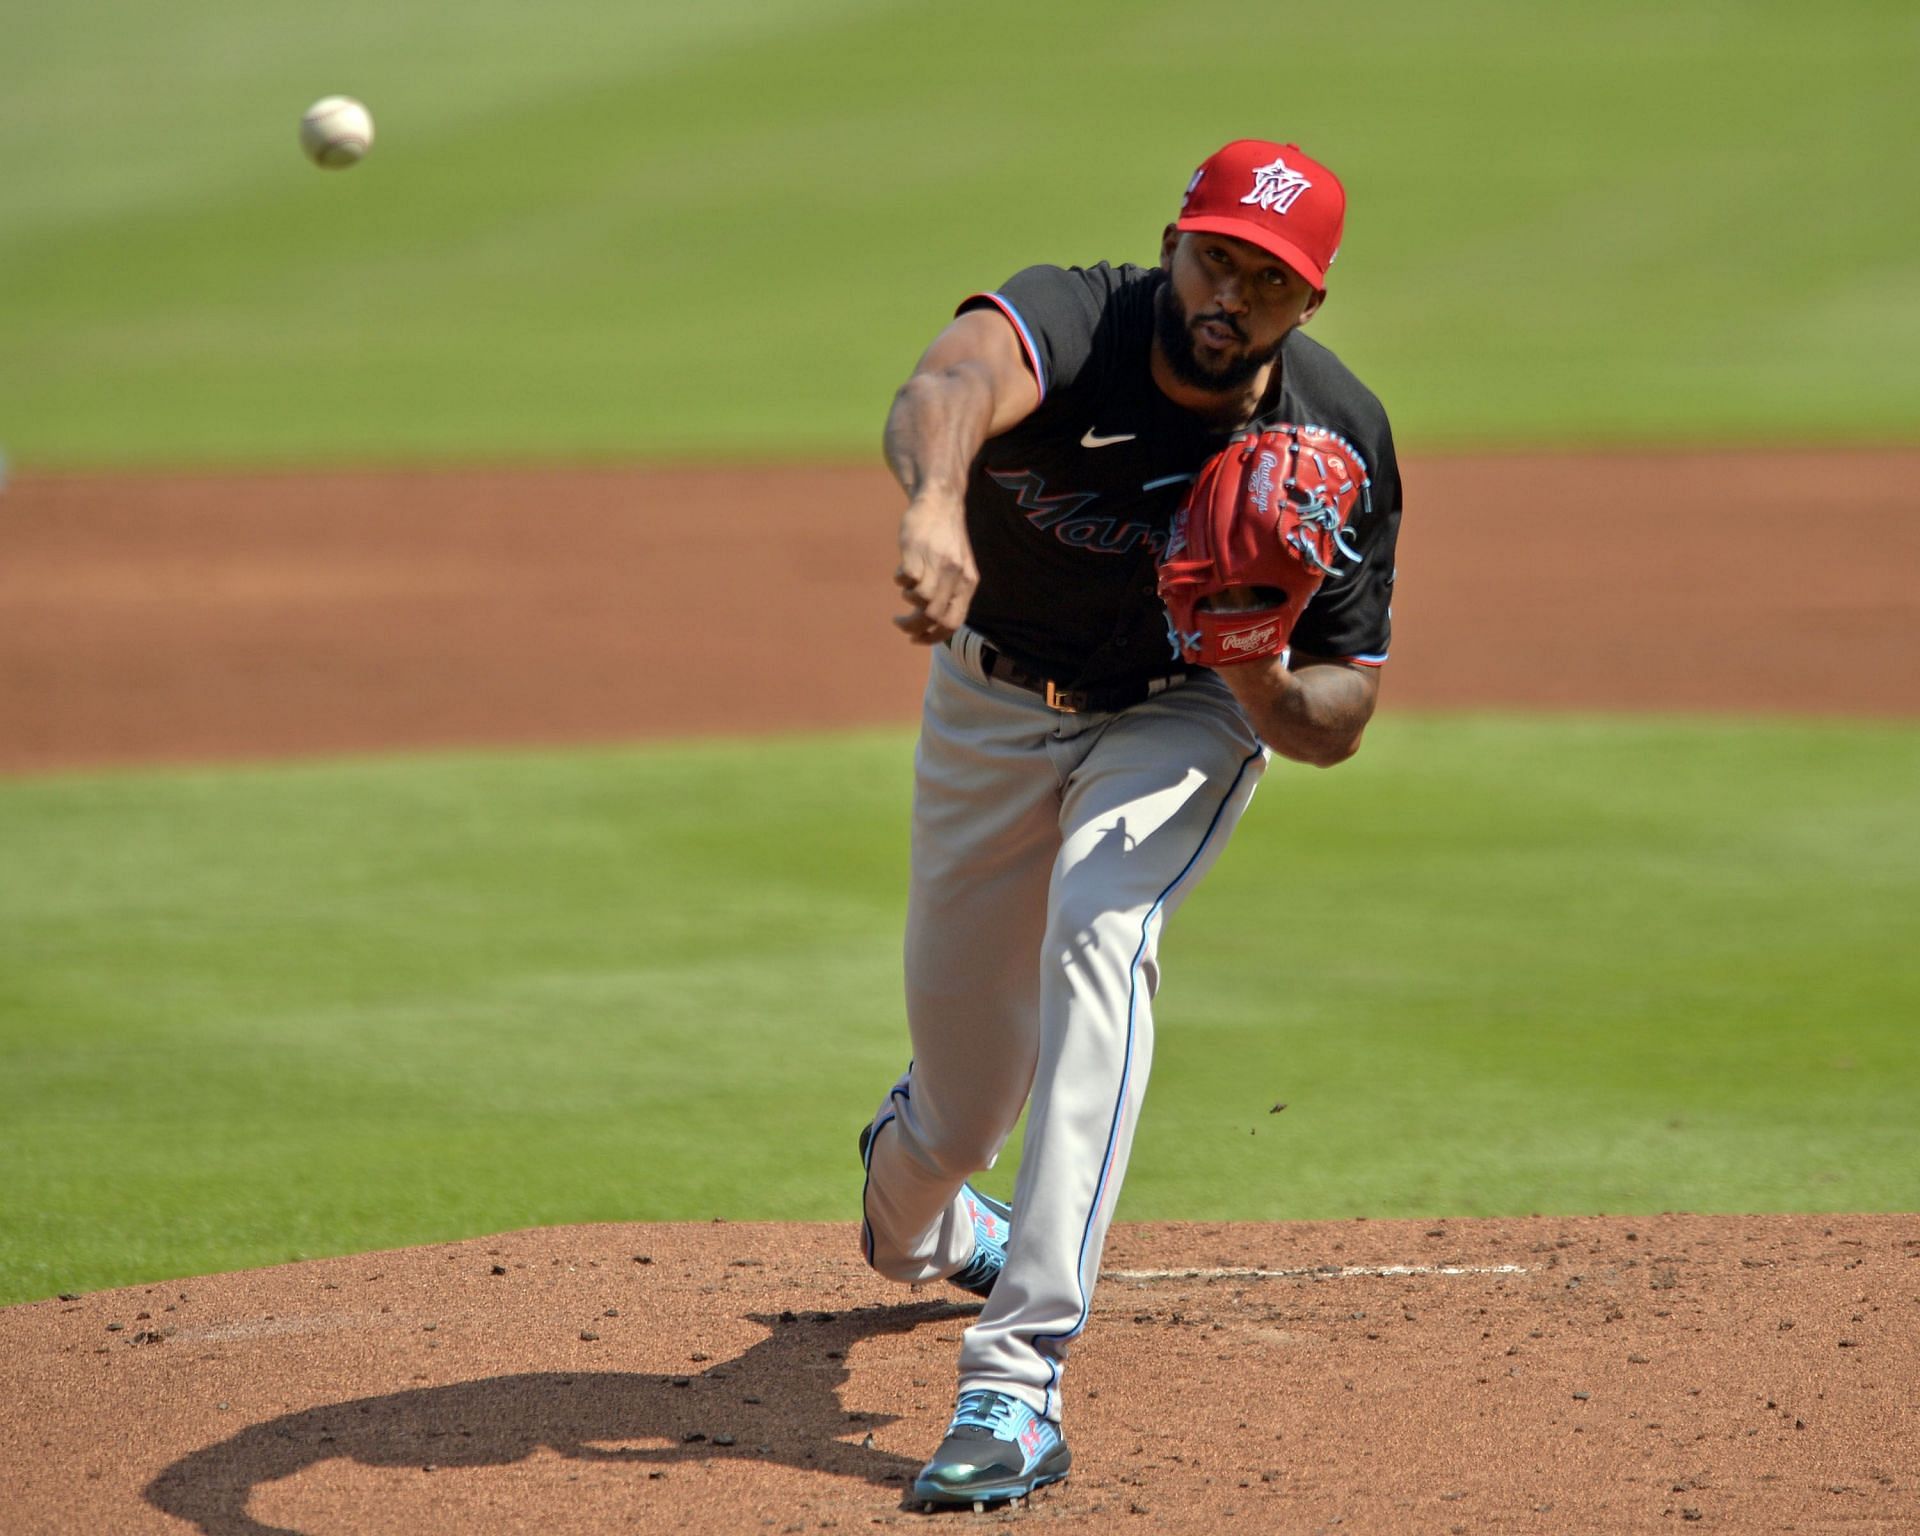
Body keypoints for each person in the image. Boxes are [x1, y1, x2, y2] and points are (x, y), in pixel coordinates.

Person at [857, 138, 1403, 1509]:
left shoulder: (1335, 438)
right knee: (964, 1108)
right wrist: (935, 500)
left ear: (1308, 302)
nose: (1234, 294)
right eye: (1218, 256)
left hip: (1182, 712)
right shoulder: (1075, 318)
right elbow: (947, 383)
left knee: (1104, 929)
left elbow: (1339, 719)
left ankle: (1017, 1380)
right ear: (1174, 242)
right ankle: (919, 1210)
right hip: (988, 705)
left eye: (1270, 282)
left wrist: (1257, 664)